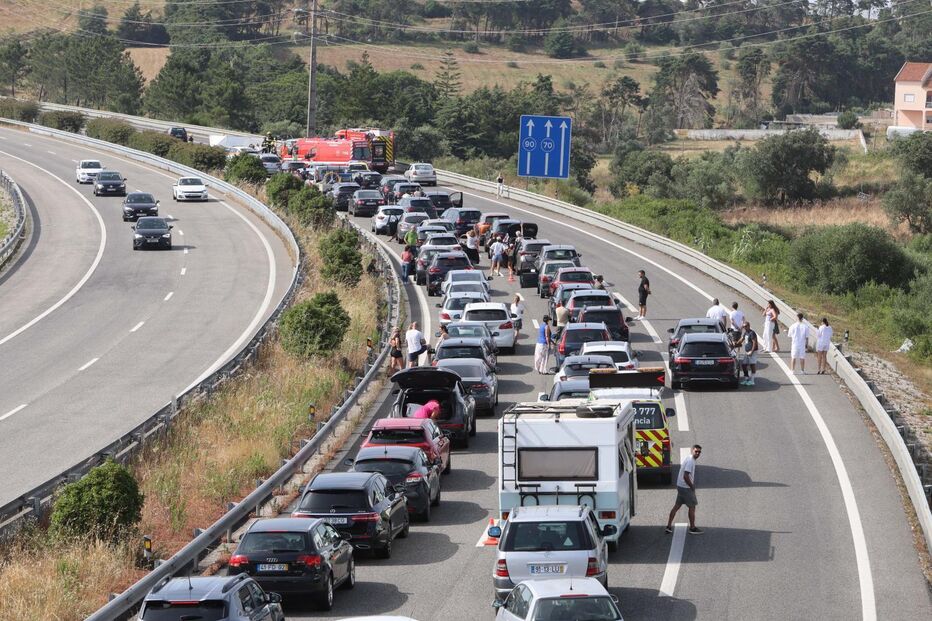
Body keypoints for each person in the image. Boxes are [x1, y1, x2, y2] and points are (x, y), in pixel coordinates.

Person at [666, 445, 703, 535]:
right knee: (692, 507)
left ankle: (668, 526)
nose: (697, 453)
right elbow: (686, 475)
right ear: (692, 451)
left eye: (699, 452)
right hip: (686, 487)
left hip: (680, 486)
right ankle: (692, 528)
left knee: (677, 506)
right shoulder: (691, 461)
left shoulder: (689, 458)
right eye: (696, 451)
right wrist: (692, 486)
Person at [739, 320, 759, 386]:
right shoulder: (746, 333)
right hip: (747, 351)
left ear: (749, 326)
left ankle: (752, 380)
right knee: (744, 365)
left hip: (752, 351)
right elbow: (741, 339)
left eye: (745, 326)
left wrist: (751, 351)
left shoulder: (752, 333)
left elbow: (754, 343)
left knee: (752, 365)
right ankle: (746, 378)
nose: (744, 327)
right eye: (743, 326)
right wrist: (735, 344)